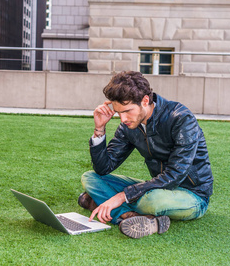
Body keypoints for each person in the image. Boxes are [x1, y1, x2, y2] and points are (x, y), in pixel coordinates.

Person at [78, 71, 214, 239]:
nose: (123, 119)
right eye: (118, 112)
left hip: (192, 194)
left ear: (145, 101)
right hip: (156, 186)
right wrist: (99, 130)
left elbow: (176, 174)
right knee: (89, 178)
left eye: (127, 111)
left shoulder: (180, 118)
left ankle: (105, 204)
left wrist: (123, 196)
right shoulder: (128, 126)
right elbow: (103, 168)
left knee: (152, 201)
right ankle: (132, 218)